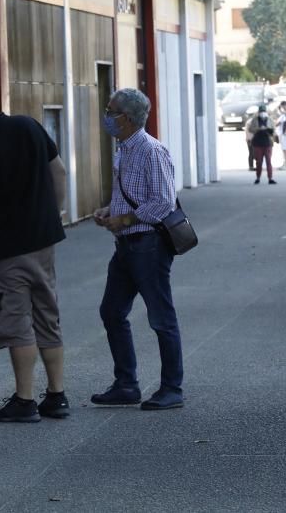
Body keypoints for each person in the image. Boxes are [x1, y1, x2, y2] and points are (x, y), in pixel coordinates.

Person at [0, 76, 69, 423]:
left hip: (5, 251)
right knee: (46, 316)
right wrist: (54, 215)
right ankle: (57, 395)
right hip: (43, 243)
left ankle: (24, 400)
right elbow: (60, 172)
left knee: (16, 322)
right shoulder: (29, 127)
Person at [91, 88, 184, 411]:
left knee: (161, 317)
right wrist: (109, 211)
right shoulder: (124, 149)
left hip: (149, 244)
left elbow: (162, 201)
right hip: (127, 244)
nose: (107, 116)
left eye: (111, 110)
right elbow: (131, 193)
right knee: (112, 311)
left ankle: (172, 387)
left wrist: (126, 218)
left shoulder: (151, 151)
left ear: (127, 119)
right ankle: (126, 384)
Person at [245, 104, 277, 184]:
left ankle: (270, 178)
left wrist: (267, 130)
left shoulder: (270, 120)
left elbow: (273, 130)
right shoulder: (255, 120)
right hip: (258, 143)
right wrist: (258, 129)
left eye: (264, 111)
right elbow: (250, 129)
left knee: (268, 161)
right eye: (261, 111)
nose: (263, 113)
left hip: (268, 143)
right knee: (259, 162)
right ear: (258, 112)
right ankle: (258, 177)